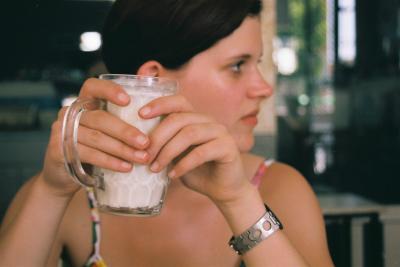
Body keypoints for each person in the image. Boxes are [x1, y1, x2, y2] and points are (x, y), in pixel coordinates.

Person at [0, 0, 334, 266]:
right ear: (154, 82)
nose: (263, 88)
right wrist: (50, 192)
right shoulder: (69, 196)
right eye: (237, 66)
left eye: (258, 63)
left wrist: (238, 200)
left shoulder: (280, 189)